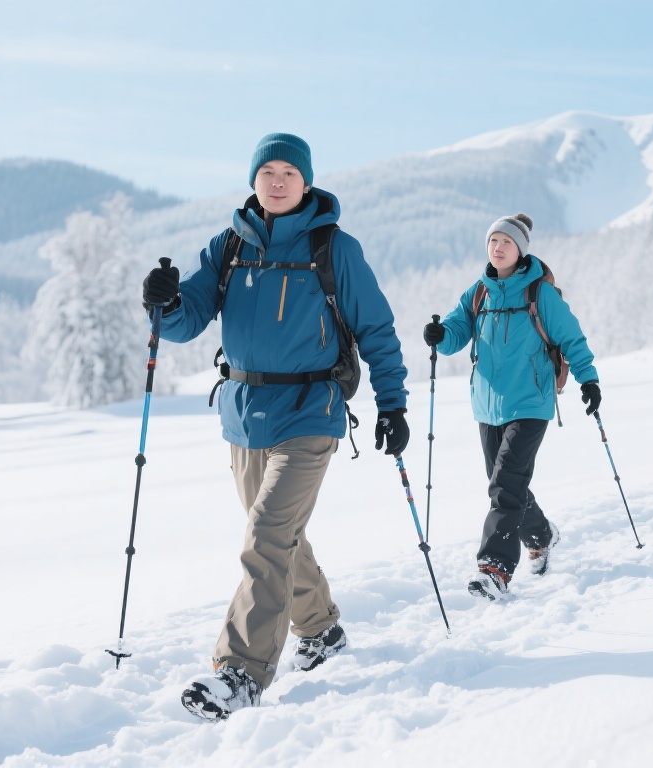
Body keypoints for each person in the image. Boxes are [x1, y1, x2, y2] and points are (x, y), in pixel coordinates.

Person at [141, 132, 410, 721]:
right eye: (269, 171)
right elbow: (188, 319)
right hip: (244, 416)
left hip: (312, 412)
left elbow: (378, 330)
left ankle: (239, 671)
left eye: (290, 171)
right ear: (254, 180)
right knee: (282, 537)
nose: (279, 180)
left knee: (266, 533)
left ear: (307, 181)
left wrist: (393, 404)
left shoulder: (332, 247)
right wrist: (163, 303)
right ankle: (320, 631)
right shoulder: (230, 244)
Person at [422, 213, 601, 600]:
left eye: (506, 241)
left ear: (520, 249)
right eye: (493, 241)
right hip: (488, 406)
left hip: (531, 402)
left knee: (505, 484)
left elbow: (571, 338)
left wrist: (589, 380)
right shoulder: (478, 293)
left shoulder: (540, 294)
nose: (498, 247)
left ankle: (495, 569)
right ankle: (541, 534)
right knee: (506, 484)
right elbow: (455, 333)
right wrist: (440, 335)